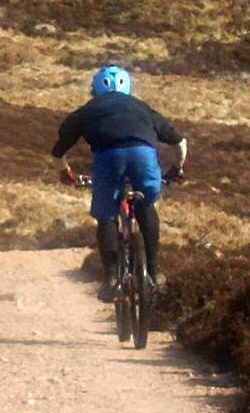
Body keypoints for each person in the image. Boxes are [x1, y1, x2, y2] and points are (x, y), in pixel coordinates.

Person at [50, 65, 187, 301]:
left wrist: (66, 173)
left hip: (108, 158)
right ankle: (154, 272)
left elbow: (58, 152)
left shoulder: (86, 111)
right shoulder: (141, 107)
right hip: (143, 156)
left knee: (106, 216)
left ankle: (111, 278)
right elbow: (179, 142)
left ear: (94, 90)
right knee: (147, 205)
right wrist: (177, 168)